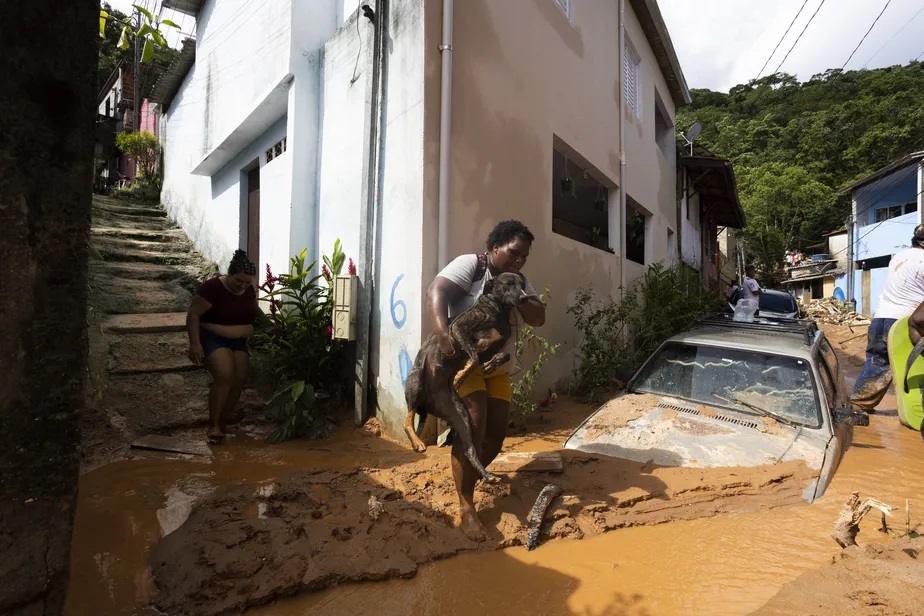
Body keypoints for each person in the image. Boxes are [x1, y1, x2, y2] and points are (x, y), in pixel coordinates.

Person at [427, 220, 546, 541]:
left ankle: (467, 478)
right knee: (474, 423)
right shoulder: (472, 265)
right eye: (514, 253)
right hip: (464, 362)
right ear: (495, 248)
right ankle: (466, 506)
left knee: (495, 436)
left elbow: (539, 317)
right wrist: (443, 337)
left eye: (524, 256)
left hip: (497, 365)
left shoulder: (520, 281)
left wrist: (520, 297)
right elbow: (437, 290)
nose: (519, 260)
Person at [186, 249, 258, 443]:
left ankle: (223, 421)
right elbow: (193, 314)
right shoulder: (212, 288)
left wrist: (270, 325)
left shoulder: (248, 290)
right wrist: (195, 344)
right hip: (213, 338)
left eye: (247, 282)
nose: (243, 286)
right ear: (230, 274)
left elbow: (254, 309)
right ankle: (214, 424)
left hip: (239, 341)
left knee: (239, 378)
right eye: (239, 281)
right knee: (225, 375)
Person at [851, 224, 924, 412]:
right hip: (907, 323)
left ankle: (859, 406)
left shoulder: (898, 257)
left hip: (881, 318)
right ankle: (917, 411)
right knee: (915, 369)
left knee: (877, 363)